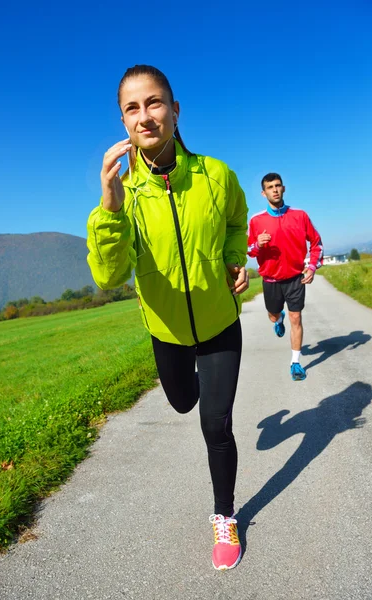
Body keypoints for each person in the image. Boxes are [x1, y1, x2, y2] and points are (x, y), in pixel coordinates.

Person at [86, 65, 249, 571]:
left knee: (214, 424)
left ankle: (225, 516)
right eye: (133, 108)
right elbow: (110, 277)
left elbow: (234, 223)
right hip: (168, 331)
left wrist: (232, 258)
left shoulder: (216, 175)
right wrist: (110, 208)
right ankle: (192, 385)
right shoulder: (125, 196)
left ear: (175, 111)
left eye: (154, 103)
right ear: (123, 120)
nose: (145, 116)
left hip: (220, 322)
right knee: (183, 403)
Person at [247, 173, 323, 381]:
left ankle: (295, 363)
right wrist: (257, 244)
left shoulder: (300, 216)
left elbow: (316, 243)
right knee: (273, 314)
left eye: (278, 185)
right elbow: (249, 250)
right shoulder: (256, 220)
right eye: (270, 187)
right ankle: (277, 318)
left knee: (296, 317)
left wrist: (312, 267)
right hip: (271, 280)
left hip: (295, 279)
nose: (275, 189)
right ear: (263, 193)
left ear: (284, 189)